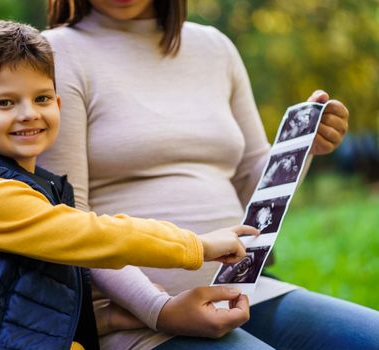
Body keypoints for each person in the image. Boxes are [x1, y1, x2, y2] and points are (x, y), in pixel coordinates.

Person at [0, 19, 261, 350]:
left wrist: (108, 319)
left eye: (41, 98)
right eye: (5, 103)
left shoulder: (36, 186)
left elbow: (23, 297)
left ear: (58, 105)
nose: (29, 112)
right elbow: (97, 237)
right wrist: (197, 244)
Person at [40, 0, 379, 348]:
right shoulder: (56, 54)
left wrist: (301, 146)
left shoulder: (214, 48)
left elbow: (253, 184)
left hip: (242, 289)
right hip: (136, 312)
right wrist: (158, 309)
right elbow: (69, 220)